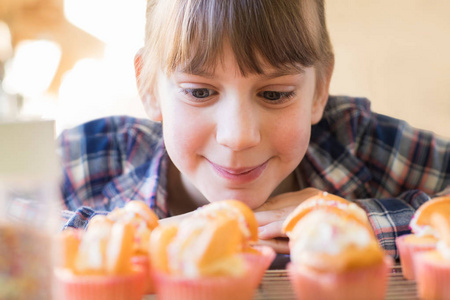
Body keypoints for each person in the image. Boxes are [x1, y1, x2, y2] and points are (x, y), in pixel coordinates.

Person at [58, 0, 450, 257]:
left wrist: (358, 223)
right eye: (199, 91)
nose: (238, 136)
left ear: (319, 91)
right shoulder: (93, 157)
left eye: (275, 94)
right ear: (149, 86)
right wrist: (134, 238)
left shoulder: (357, 142)